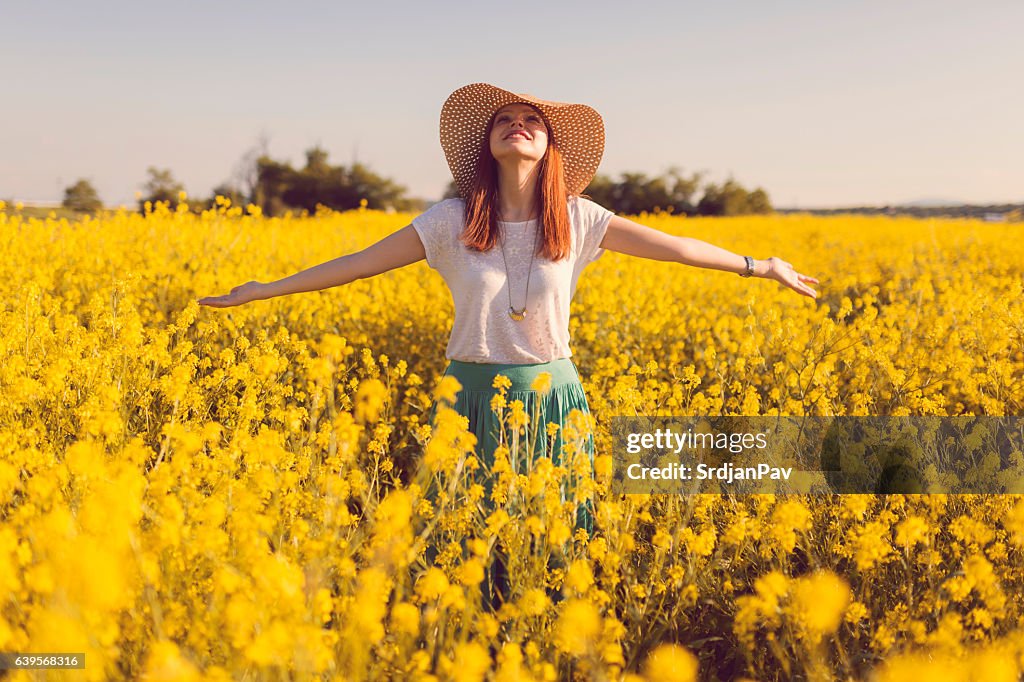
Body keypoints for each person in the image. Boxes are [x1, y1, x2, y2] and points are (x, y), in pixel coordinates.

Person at [198, 82, 819, 611]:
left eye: (530, 122)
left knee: (551, 547)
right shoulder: (449, 221)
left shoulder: (579, 219)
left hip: (551, 398)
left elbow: (678, 247)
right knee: (460, 546)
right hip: (466, 400)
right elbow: (359, 264)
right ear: (487, 144)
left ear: (549, 147)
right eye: (503, 120)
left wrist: (759, 265)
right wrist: (264, 290)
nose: (516, 126)